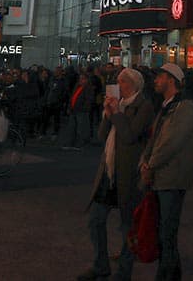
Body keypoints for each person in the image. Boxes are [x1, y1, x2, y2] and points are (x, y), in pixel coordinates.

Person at [79, 68, 155, 281]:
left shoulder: (144, 107)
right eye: (117, 81)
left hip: (128, 171)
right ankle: (100, 263)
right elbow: (102, 135)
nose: (118, 85)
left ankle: (124, 271)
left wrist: (117, 115)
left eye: (122, 81)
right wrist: (107, 114)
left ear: (133, 84)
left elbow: (129, 136)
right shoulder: (117, 105)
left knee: (127, 225)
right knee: (96, 219)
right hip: (109, 169)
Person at [138, 63, 193, 281]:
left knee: (167, 232)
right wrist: (145, 162)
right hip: (162, 176)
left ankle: (166, 275)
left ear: (171, 80)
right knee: (164, 231)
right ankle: (171, 274)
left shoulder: (184, 107)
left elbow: (171, 142)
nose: (155, 81)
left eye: (160, 77)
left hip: (172, 177)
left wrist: (150, 164)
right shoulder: (168, 105)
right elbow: (156, 139)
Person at [64, 71, 94, 150]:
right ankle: (70, 143)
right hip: (74, 109)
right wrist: (70, 107)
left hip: (81, 110)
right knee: (72, 127)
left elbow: (88, 100)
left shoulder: (88, 88)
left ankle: (79, 143)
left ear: (87, 80)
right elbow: (72, 97)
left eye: (83, 79)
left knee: (81, 128)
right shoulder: (77, 86)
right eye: (80, 79)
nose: (81, 80)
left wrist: (84, 108)